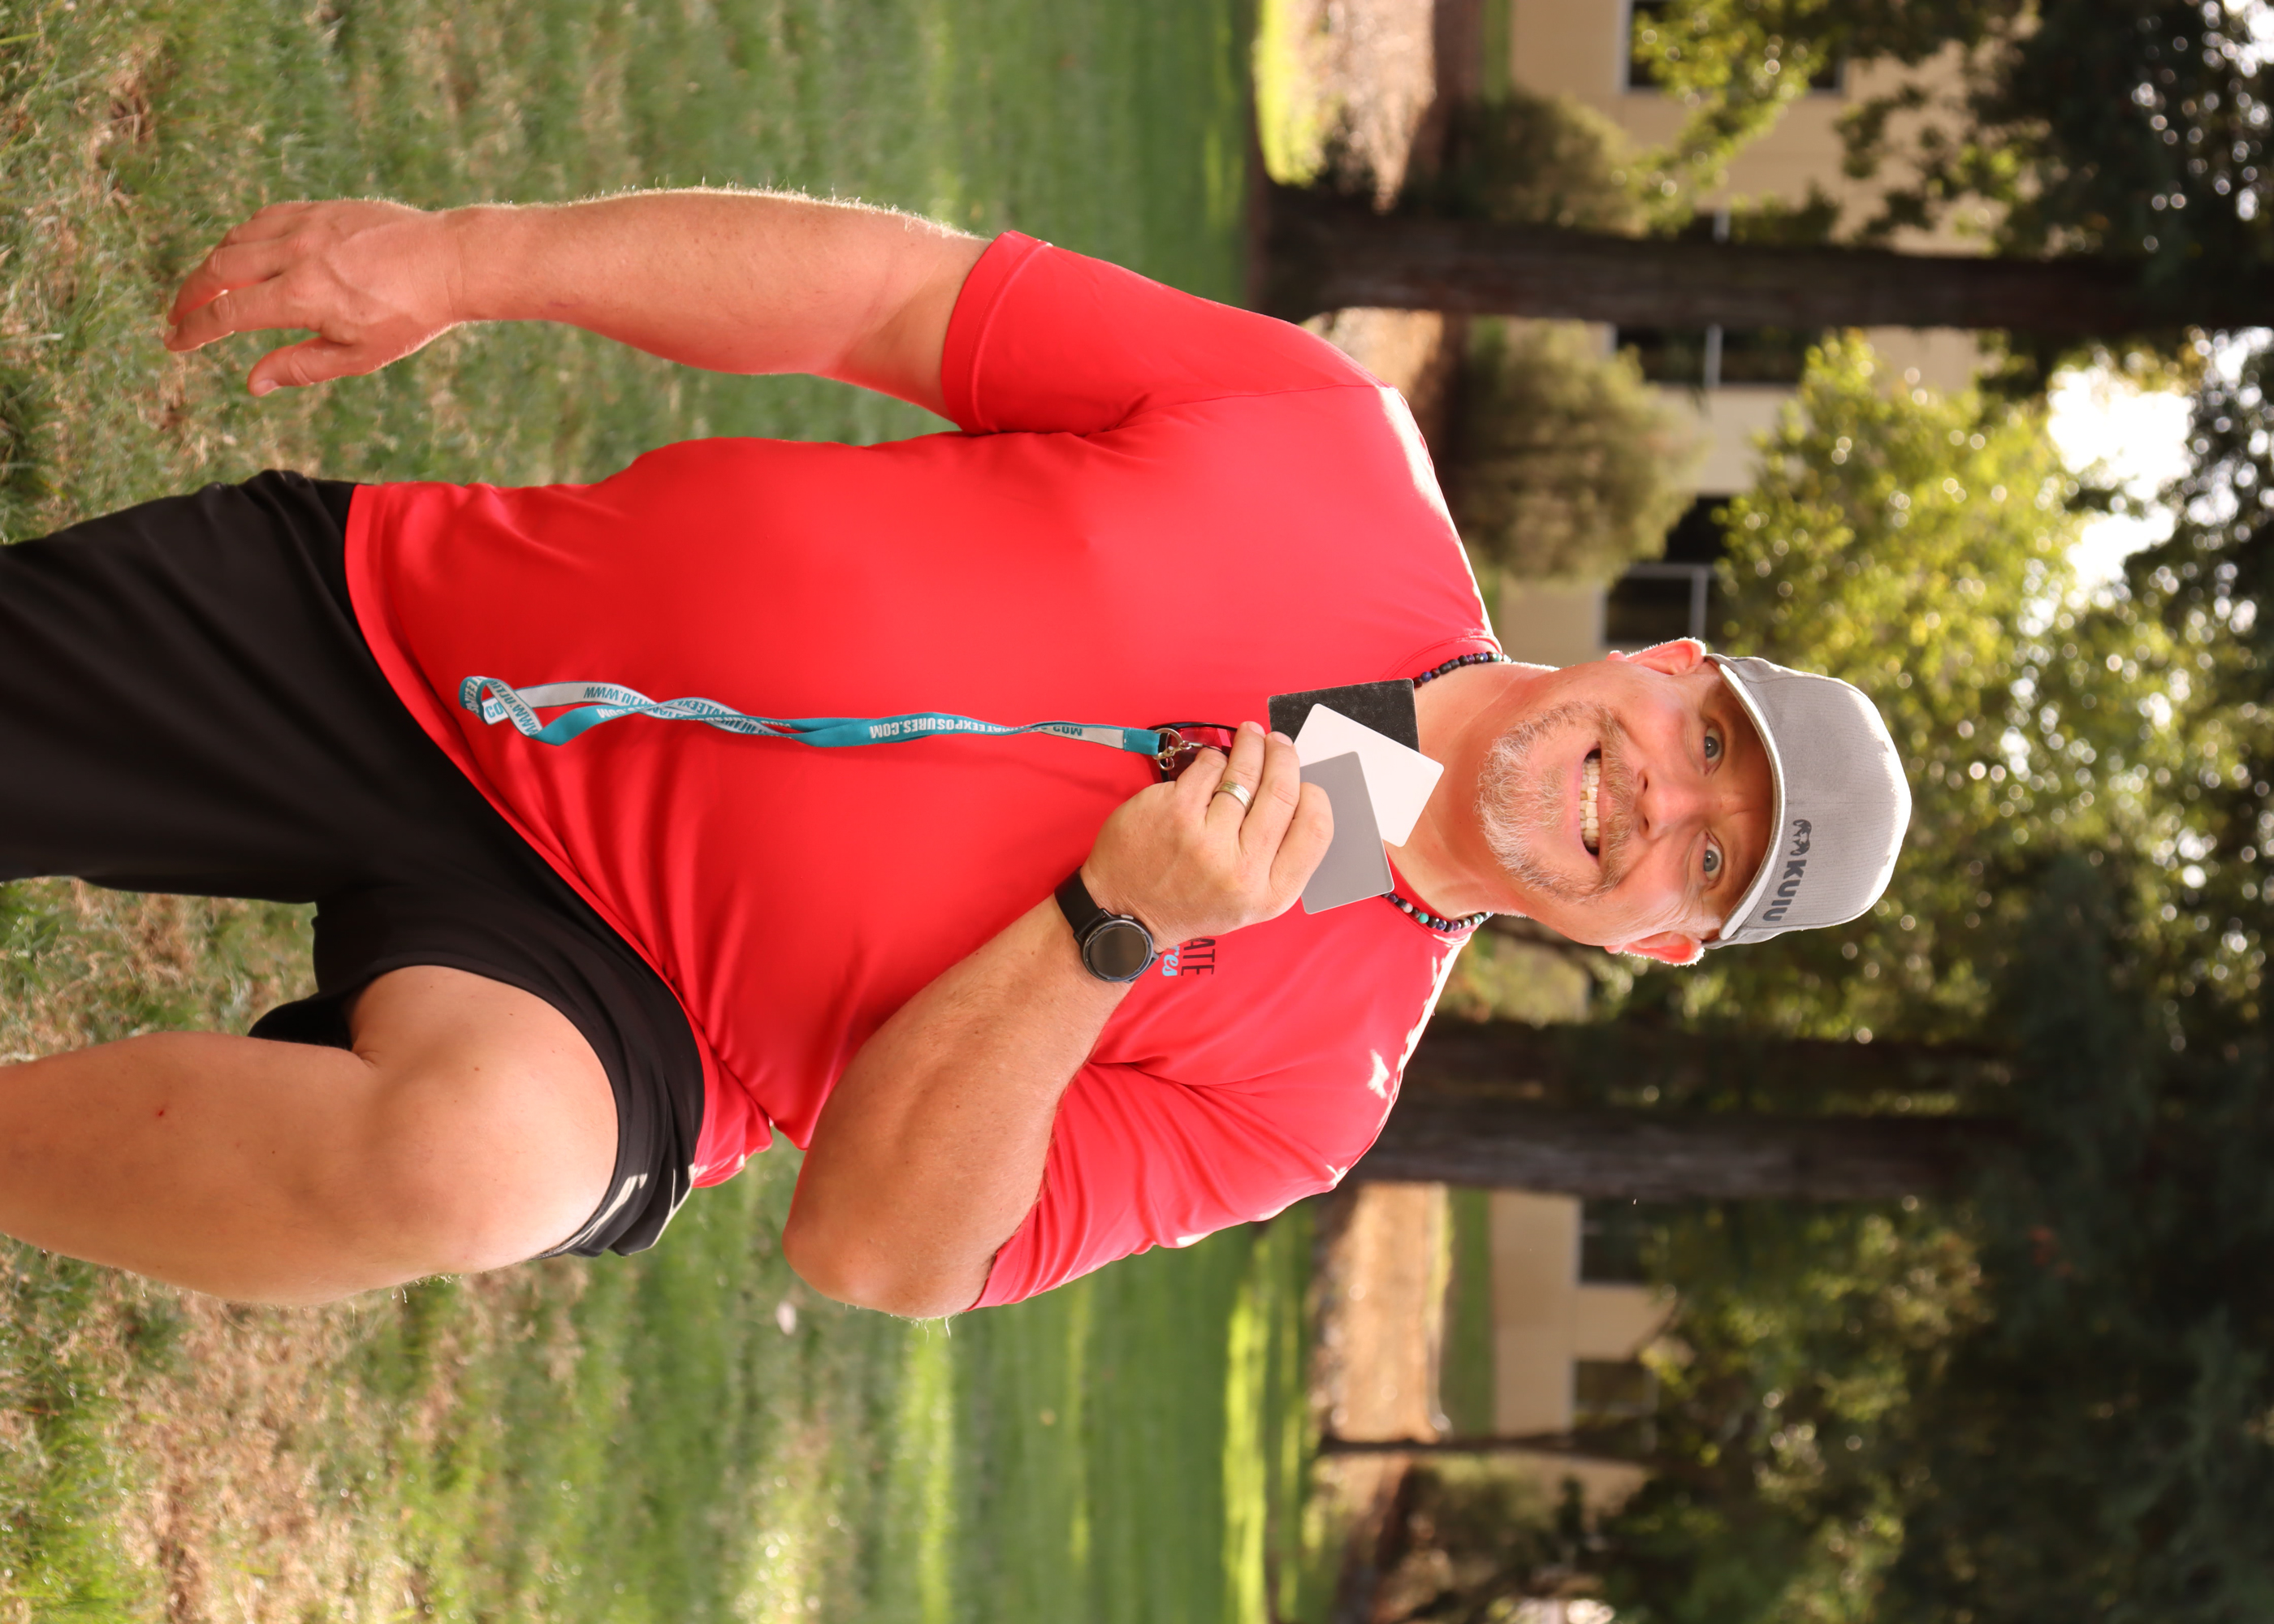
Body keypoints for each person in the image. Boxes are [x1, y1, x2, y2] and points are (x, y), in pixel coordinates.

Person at [0, 190, 1910, 1317]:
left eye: (1707, 854)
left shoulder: (1307, 1094)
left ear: (1656, 943)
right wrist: (468, 259)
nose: (1659, 799)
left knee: (472, 1167)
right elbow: (892, 296)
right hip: (426, 624)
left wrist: (1104, 931)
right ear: (1668, 660)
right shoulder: (1335, 447)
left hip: (630, 1011)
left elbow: (876, 1253)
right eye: (1704, 742)